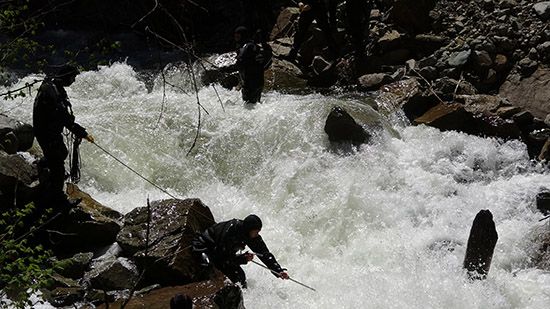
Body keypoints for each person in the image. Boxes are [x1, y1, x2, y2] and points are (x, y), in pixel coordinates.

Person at [33, 65, 94, 209]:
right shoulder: (52, 91)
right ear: (66, 76)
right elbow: (63, 117)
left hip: (46, 130)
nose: (73, 81)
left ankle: (43, 166)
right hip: (46, 133)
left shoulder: (52, 85)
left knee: (62, 153)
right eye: (73, 77)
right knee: (58, 167)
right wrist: (82, 133)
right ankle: (58, 200)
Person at [192, 214, 289, 288]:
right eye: (256, 231)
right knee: (208, 265)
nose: (257, 234)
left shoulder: (251, 236)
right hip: (204, 247)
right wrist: (242, 259)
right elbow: (221, 258)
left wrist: (278, 270)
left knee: (240, 277)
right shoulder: (230, 231)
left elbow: (265, 254)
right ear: (248, 229)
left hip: (222, 254)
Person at [233, 26, 273, 104]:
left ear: (242, 36)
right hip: (259, 81)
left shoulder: (246, 47)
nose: (236, 38)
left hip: (250, 82)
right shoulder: (255, 46)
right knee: (255, 103)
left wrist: (227, 69)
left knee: (248, 105)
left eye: (237, 36)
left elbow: (240, 61)